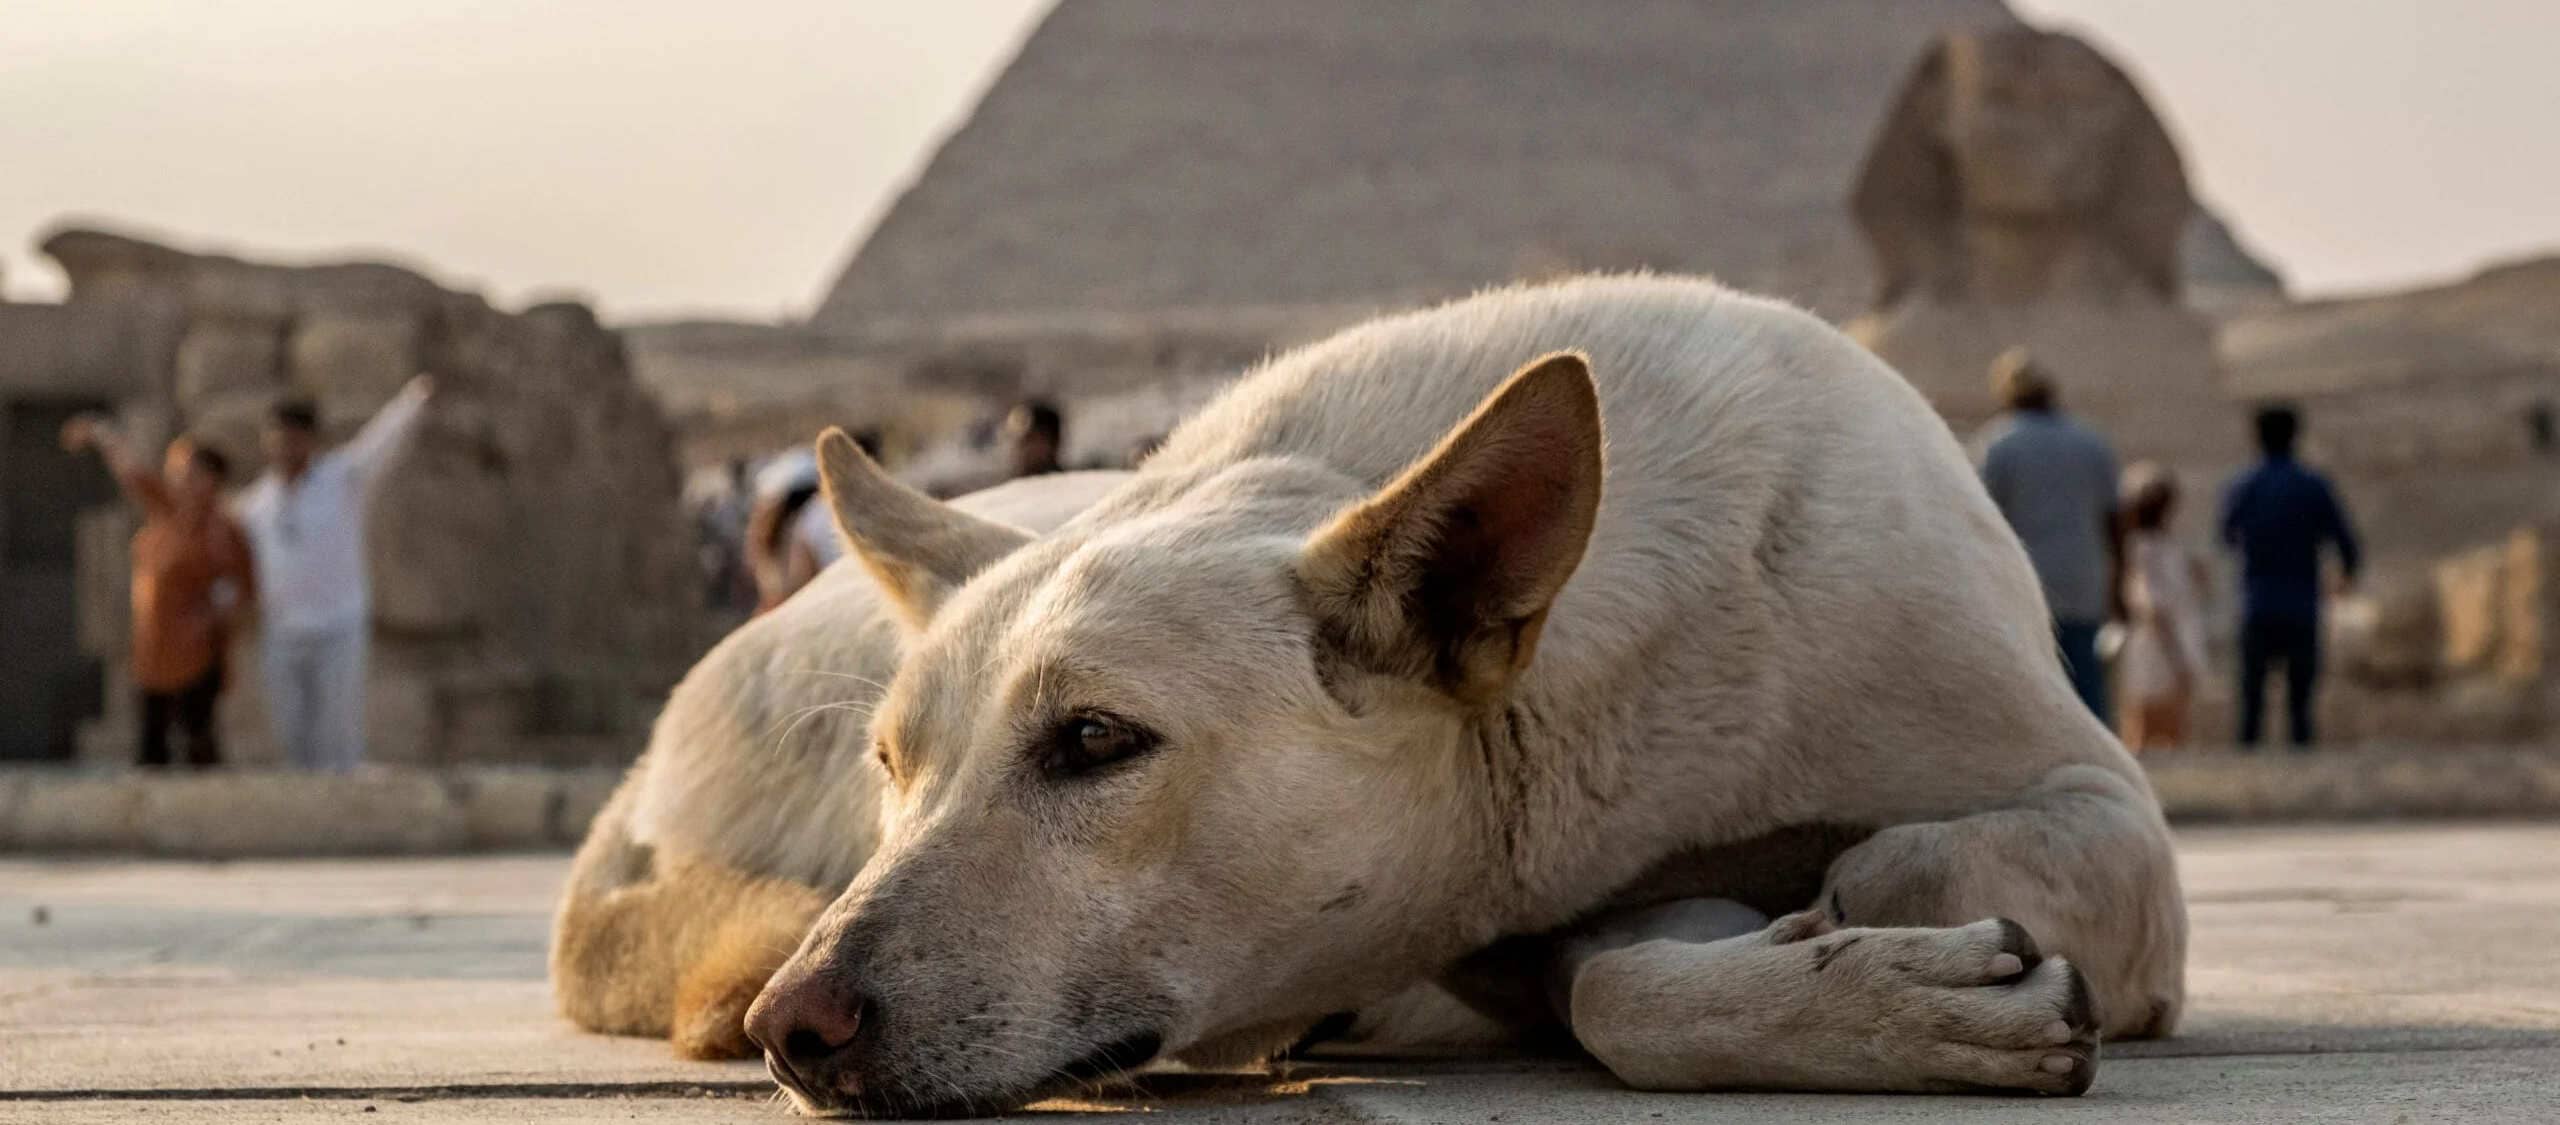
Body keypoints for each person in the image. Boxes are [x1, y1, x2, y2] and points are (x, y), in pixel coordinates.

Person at [234, 376, 435, 772]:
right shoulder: (256, 503)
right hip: (282, 633)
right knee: (290, 737)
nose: (285, 447)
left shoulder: (342, 478)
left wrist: (414, 398)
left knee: (338, 738)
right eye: (277, 437)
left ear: (310, 440)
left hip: (337, 628)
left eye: (293, 437)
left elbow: (382, 442)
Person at [60, 418, 256, 768]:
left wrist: (208, 621)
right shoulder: (167, 510)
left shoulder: (222, 533)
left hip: (196, 654)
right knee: (152, 746)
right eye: (178, 471)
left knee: (198, 740)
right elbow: (131, 472)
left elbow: (236, 591)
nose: (180, 479)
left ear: (210, 480)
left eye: (190, 473)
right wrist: (99, 433)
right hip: (153, 649)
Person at [1971, 348, 2124, 724]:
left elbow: (1984, 520)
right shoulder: (2092, 444)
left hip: (2026, 582)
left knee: (2031, 681)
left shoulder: (1998, 445)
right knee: (2087, 680)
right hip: (2083, 577)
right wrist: (2119, 582)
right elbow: (2114, 523)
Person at [2220, 404, 2360, 749]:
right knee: (2301, 701)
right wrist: (2346, 576)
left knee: (2252, 698)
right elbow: (2346, 543)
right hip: (2301, 602)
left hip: (2257, 601)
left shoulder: (2244, 486)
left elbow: (2226, 535)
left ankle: (2248, 773)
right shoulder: (2313, 485)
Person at [2116, 463, 2208, 752]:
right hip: (2160, 649)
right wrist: (2179, 657)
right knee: (2149, 731)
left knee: (2160, 731)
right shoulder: (2147, 550)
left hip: (2163, 647)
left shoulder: (2161, 548)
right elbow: (2153, 608)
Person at [1003, 399, 1065, 478]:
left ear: (1052, 442)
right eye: (1020, 438)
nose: (1023, 446)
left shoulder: (1068, 487)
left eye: (1031, 438)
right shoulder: (1011, 487)